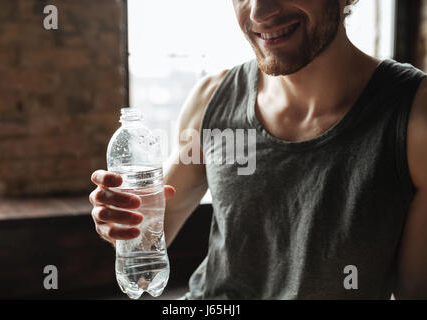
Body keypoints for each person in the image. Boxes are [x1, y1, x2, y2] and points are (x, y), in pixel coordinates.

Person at [89, 0, 427, 299]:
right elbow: (153, 228)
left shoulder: (414, 115)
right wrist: (121, 221)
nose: (260, 11)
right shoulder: (210, 98)